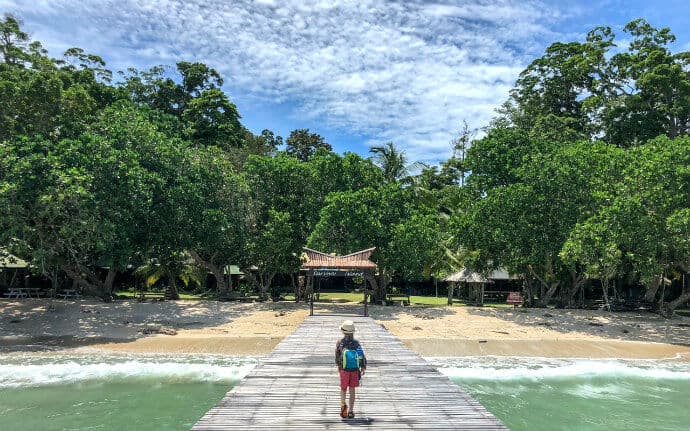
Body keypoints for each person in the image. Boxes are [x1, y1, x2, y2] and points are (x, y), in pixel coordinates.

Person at [335, 319, 367, 419]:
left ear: (343, 331)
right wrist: (363, 366)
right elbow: (361, 355)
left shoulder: (340, 342)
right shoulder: (356, 343)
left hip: (344, 370)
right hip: (354, 370)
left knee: (343, 389)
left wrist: (339, 367)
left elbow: (337, 356)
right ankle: (351, 411)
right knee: (352, 390)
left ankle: (343, 408)